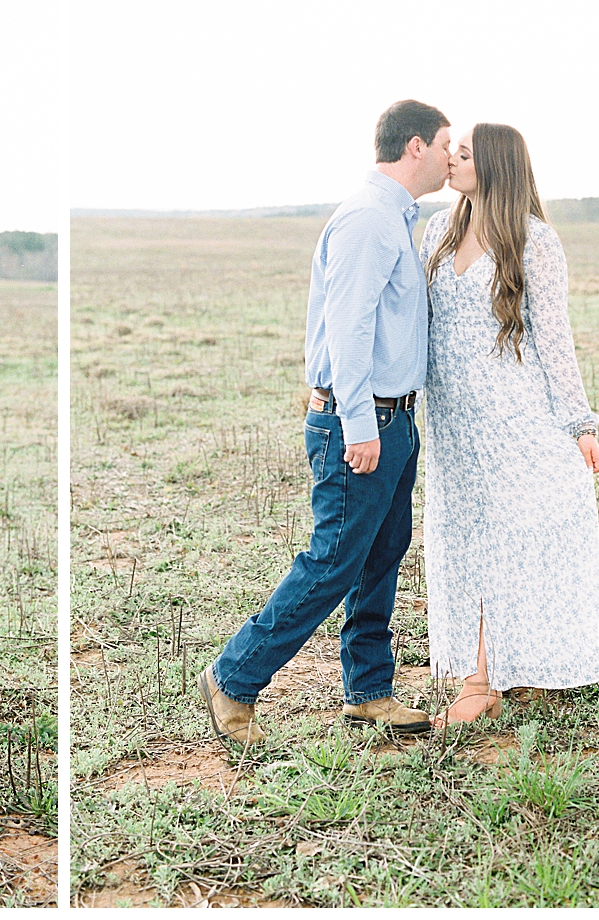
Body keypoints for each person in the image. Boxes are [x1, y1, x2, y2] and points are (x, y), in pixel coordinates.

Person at [198, 100, 452, 748]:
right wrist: (361, 423)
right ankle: (234, 677)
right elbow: (348, 328)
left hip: (392, 419)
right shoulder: (369, 219)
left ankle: (368, 693)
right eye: (447, 144)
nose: (453, 157)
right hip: (357, 421)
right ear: (416, 146)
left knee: (380, 558)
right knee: (333, 560)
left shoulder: (396, 217)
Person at [418, 124, 599, 728]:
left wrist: (580, 423)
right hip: (455, 422)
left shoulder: (534, 241)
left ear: (494, 166)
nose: (451, 160)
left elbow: (555, 340)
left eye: (464, 154)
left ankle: (498, 676)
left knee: (524, 540)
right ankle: (486, 672)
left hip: (520, 420)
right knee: (464, 539)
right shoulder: (437, 232)